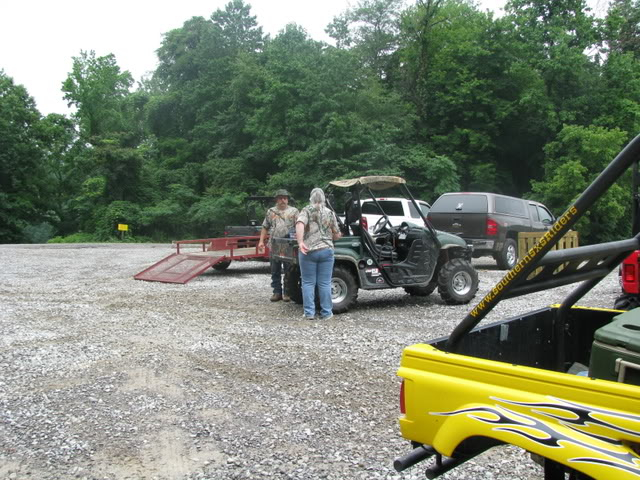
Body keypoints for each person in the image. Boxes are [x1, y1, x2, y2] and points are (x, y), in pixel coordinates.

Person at [295, 187, 342, 319]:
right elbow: (336, 234)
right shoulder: (330, 213)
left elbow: (299, 224)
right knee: (325, 283)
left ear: (311, 198)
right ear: (323, 199)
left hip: (309, 251)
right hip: (327, 251)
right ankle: (326, 313)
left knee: (308, 283)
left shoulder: (306, 210)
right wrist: (336, 235)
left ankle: (309, 313)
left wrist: (300, 242)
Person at [258, 189, 299, 302]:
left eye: (285, 198)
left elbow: (300, 227)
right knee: (274, 270)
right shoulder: (271, 211)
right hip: (274, 244)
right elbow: (265, 227)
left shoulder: (294, 211)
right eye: (280, 198)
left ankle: (287, 293)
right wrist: (261, 241)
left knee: (288, 270)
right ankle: (277, 292)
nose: (283, 200)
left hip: (288, 244)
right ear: (276, 199)